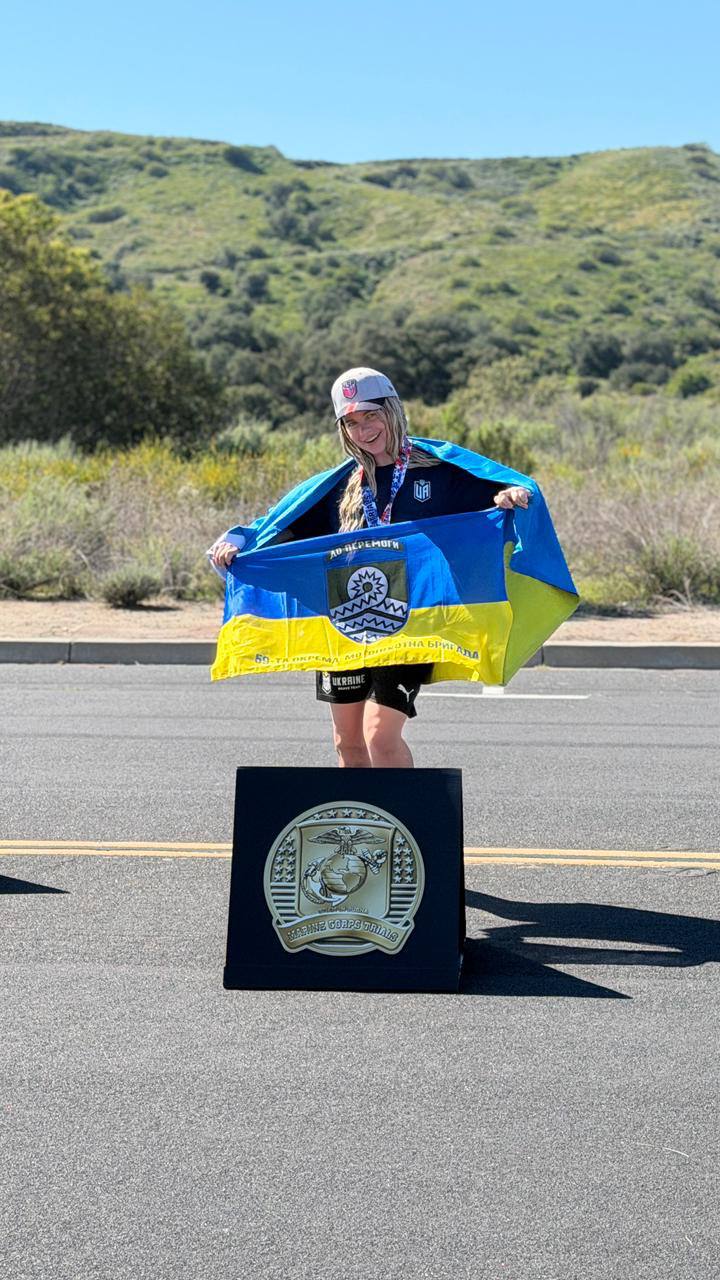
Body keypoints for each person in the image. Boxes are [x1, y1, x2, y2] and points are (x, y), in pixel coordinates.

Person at [210, 367, 532, 770]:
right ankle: (362, 829)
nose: (363, 430)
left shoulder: (440, 470)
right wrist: (239, 541)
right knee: (348, 744)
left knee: (380, 737)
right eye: (351, 422)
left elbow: (497, 494)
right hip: (345, 624)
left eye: (371, 416)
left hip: (409, 625)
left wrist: (509, 496)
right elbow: (281, 528)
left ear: (392, 411)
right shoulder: (340, 484)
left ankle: (406, 825)